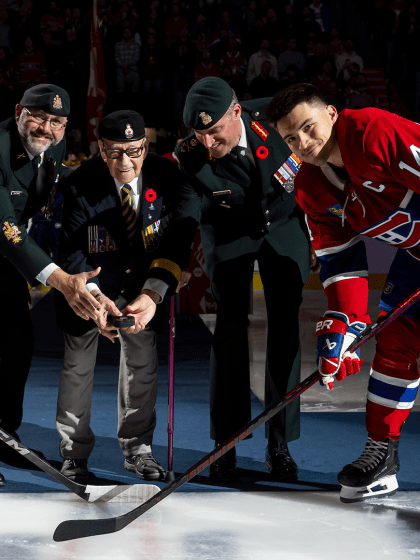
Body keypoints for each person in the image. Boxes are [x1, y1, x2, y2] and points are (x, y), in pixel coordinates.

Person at [266, 82, 420, 502]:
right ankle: (381, 454)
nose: (304, 143)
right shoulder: (310, 185)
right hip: (416, 257)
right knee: (394, 344)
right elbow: (340, 260)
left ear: (332, 113)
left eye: (308, 128)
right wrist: (345, 325)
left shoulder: (374, 131)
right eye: (291, 138)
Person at [175, 77, 312, 482]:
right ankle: (226, 443)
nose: (208, 142)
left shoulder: (278, 114)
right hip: (230, 230)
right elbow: (186, 215)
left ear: (237, 112)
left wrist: (323, 232)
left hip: (285, 221)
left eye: (215, 131)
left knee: (285, 327)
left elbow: (318, 152)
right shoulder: (191, 155)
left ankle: (279, 441)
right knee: (230, 329)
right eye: (199, 134)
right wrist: (175, 262)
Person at [54, 110, 196, 483]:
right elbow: (70, 251)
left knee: (142, 367)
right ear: (101, 149)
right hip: (91, 286)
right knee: (77, 369)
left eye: (133, 151)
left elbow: (180, 237)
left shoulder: (169, 177)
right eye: (115, 152)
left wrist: (155, 290)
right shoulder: (79, 183)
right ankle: (73, 454)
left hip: (141, 286)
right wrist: (93, 297)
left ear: (145, 146)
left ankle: (138, 450)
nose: (124, 161)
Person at [0, 84, 103, 484]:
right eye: (38, 116)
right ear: (18, 112)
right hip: (4, 239)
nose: (46, 127)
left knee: (18, 339)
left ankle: (5, 435)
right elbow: (5, 227)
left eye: (57, 121)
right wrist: (59, 278)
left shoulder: (54, 147)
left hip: (7, 255)